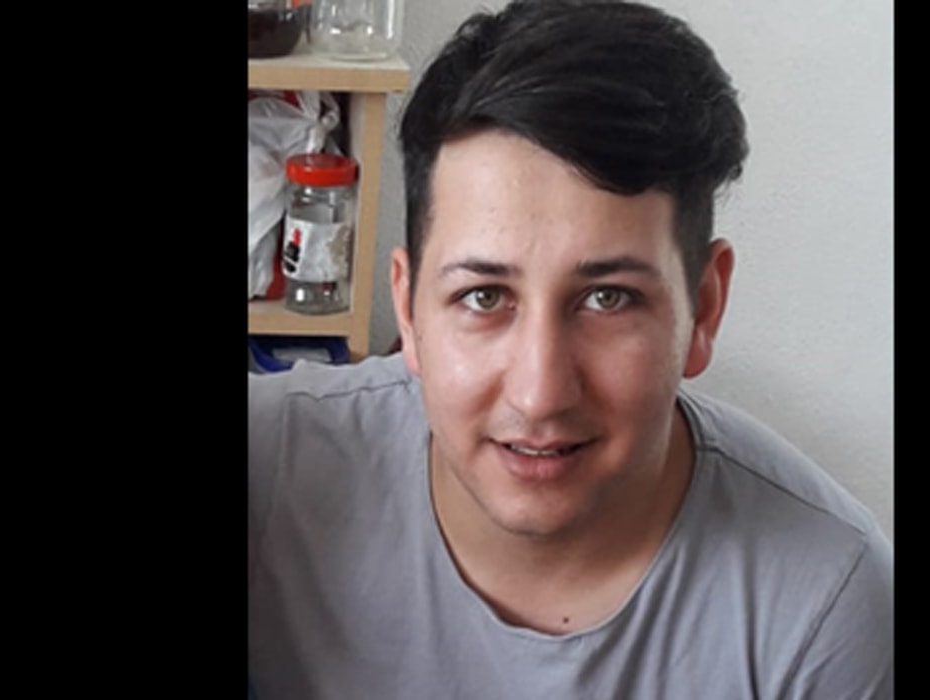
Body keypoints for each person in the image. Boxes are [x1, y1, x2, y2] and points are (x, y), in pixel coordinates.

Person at [248, 1, 893, 698]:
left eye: (608, 298)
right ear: (408, 308)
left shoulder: (824, 609)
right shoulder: (270, 471)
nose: (540, 394)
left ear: (704, 307)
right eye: (484, 297)